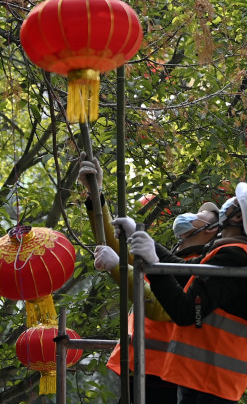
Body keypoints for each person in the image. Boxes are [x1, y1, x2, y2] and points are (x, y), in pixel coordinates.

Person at [116, 182, 247, 404]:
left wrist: (152, 263)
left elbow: (188, 312)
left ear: (238, 217)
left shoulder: (236, 258)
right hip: (208, 379)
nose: (226, 205)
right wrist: (140, 236)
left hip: (209, 383)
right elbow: (183, 272)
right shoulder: (241, 253)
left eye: (235, 203)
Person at [84, 157, 220, 403]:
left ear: (210, 230)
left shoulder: (200, 267)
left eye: (199, 215)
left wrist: (117, 266)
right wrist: (96, 196)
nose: (190, 215)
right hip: (142, 367)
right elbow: (115, 245)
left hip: (166, 376)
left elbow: (160, 306)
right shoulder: (167, 258)